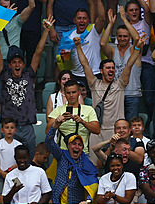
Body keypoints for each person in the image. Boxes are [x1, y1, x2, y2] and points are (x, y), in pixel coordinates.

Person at [75, 35, 144, 165]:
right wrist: (78, 47)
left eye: (113, 68)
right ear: (101, 71)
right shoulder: (95, 84)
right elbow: (85, 65)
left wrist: (137, 48)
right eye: (108, 68)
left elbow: (129, 65)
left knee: (116, 165)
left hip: (116, 132)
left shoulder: (120, 84)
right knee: (95, 165)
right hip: (97, 131)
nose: (111, 70)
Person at [0, 17, 53, 158]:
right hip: (9, 127)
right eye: (14, 62)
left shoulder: (29, 75)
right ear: (10, 64)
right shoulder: (4, 75)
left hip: (27, 126)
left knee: (29, 159)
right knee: (8, 159)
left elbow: (38, 52)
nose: (17, 65)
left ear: (23, 64)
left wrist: (46, 32)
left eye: (20, 62)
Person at [100, 7, 143, 122]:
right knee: (115, 125)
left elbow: (137, 38)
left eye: (125, 36)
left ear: (129, 37)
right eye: (120, 36)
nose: (122, 38)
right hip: (115, 94)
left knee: (132, 126)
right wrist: (110, 24)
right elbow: (103, 43)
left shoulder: (135, 50)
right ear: (116, 37)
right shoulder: (112, 50)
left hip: (132, 94)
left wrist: (124, 19)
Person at [45, 119, 99, 204]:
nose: (77, 147)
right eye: (74, 144)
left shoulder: (85, 162)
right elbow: (49, 142)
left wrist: (88, 200)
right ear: (68, 145)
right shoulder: (61, 155)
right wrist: (55, 126)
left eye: (80, 145)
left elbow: (93, 182)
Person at [58, 2, 106, 86]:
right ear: (74, 20)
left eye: (84, 18)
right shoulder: (68, 37)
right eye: (79, 18)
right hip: (76, 75)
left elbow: (101, 17)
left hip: (95, 74)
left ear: (88, 20)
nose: (82, 20)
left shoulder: (94, 30)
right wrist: (63, 58)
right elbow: (65, 62)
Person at [46, 79, 101, 154]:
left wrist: (83, 122)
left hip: (83, 153)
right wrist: (57, 122)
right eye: (68, 93)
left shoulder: (88, 109)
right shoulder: (58, 110)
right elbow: (47, 131)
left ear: (79, 93)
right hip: (63, 153)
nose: (71, 95)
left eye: (74, 92)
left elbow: (97, 130)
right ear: (64, 94)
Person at [0, 118, 21, 204]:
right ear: (2, 130)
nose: (9, 130)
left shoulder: (18, 144)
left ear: (15, 130)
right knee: (0, 196)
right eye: (7, 127)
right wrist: (2, 173)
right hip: (0, 175)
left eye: (12, 127)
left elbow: (21, 160)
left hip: (15, 175)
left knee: (18, 193)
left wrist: (16, 166)